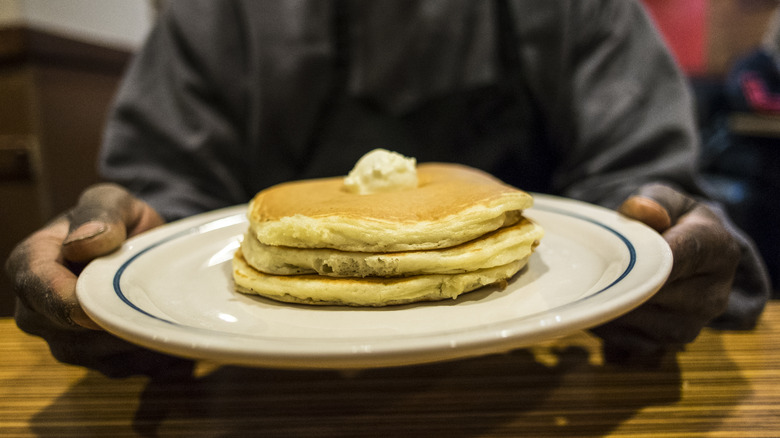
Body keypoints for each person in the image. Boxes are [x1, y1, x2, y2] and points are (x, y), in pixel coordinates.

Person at [5, 0, 771, 377]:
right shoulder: (219, 14)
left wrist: (660, 249)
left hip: (538, 383)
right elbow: (163, 212)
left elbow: (637, 193)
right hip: (260, 398)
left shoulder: (577, 7)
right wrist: (116, 273)